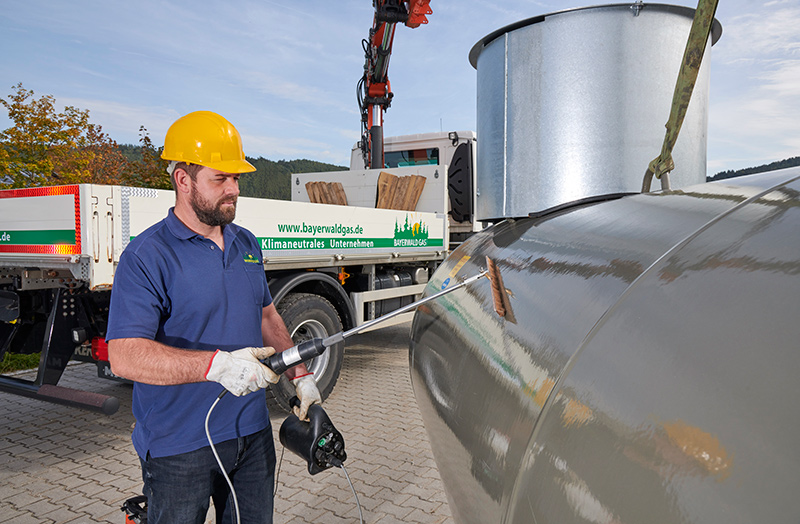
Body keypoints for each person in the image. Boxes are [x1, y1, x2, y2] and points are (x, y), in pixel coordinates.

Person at [106, 110, 321, 524]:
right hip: (179, 445)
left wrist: (301, 375)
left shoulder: (246, 243)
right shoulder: (148, 256)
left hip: (252, 435)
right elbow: (125, 355)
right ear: (183, 180)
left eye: (236, 179)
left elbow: (268, 316)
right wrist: (216, 365)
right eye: (220, 179)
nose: (234, 190)